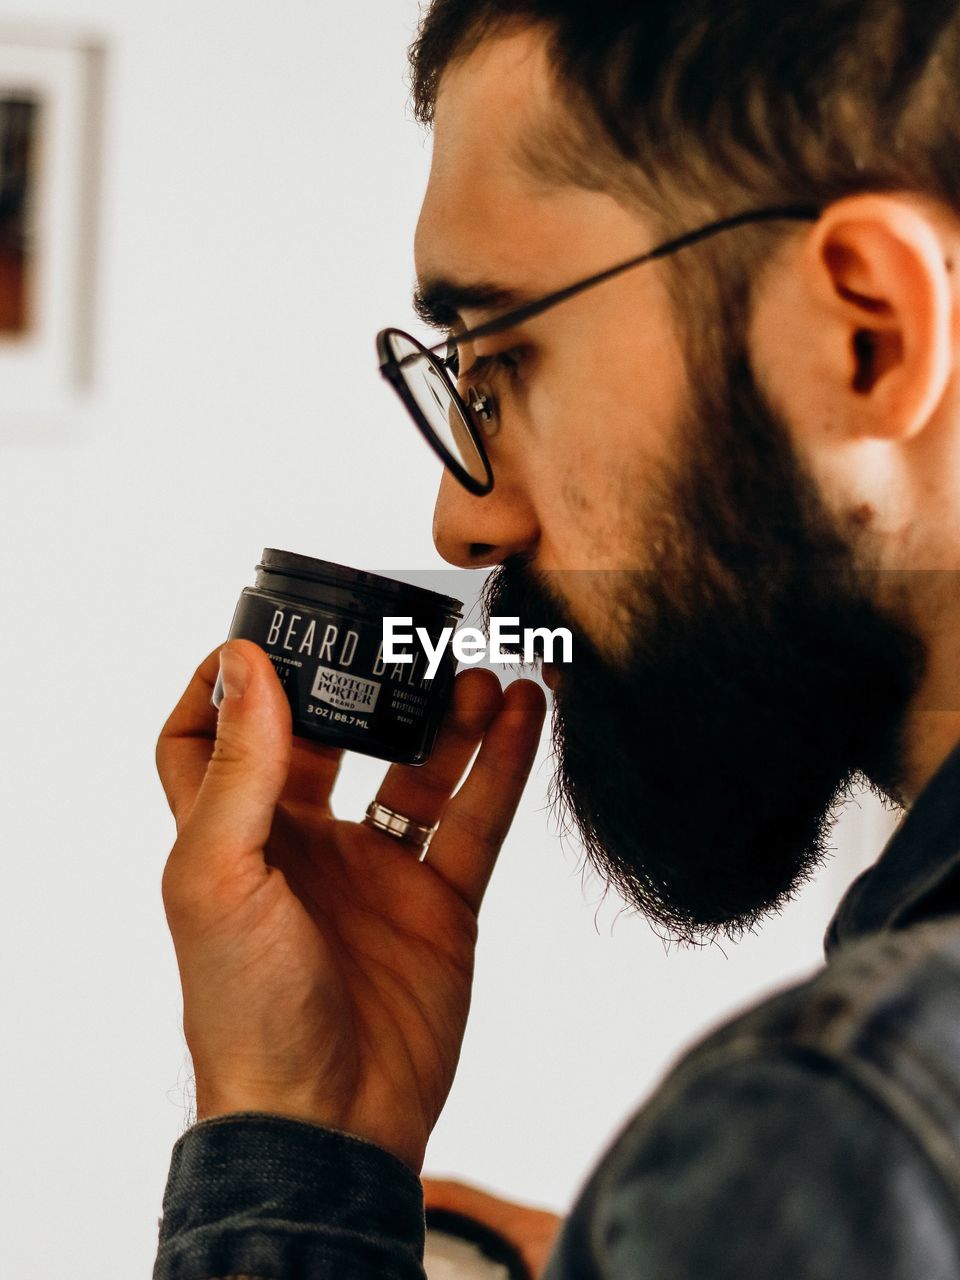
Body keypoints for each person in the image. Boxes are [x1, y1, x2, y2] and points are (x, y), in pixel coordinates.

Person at [153, 2, 960, 1276]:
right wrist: (327, 1131)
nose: (464, 518)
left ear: (872, 334)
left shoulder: (844, 1132)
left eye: (504, 356)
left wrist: (277, 1160)